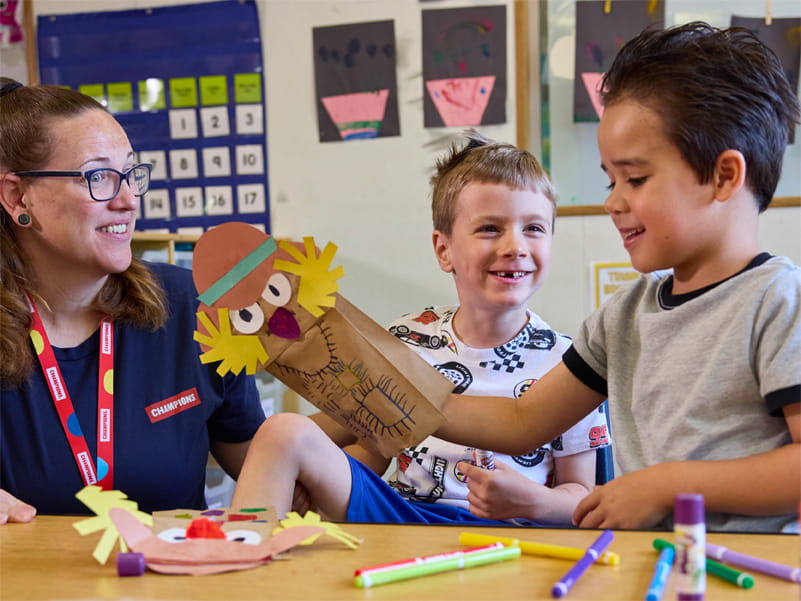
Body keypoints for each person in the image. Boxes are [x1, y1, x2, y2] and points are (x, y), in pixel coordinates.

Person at [436, 22, 801, 533]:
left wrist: (665, 484)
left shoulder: (779, 302)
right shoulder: (624, 317)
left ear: (724, 176)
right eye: (611, 180)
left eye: (635, 178)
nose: (613, 201)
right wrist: (379, 391)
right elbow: (521, 423)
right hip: (650, 569)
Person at [232, 132, 609, 525]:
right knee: (282, 431)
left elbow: (580, 493)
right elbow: (373, 453)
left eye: (534, 228)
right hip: (404, 517)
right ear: (444, 250)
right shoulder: (408, 339)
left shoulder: (569, 363)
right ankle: (238, 560)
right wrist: (316, 478)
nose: (515, 245)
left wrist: (534, 502)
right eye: (490, 229)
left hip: (512, 533)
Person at [0, 78, 266, 522]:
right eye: (99, 176)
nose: (128, 199)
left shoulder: (192, 307)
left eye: (130, 173)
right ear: (16, 196)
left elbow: (266, 470)